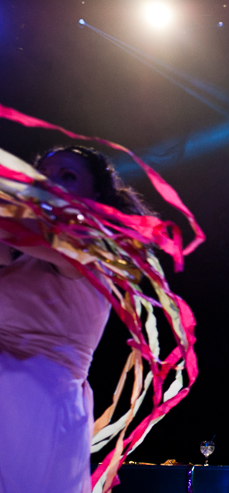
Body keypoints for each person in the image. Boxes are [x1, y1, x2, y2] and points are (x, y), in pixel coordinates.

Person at [0, 146, 153, 493]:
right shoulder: (22, 252)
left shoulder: (90, 245)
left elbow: (13, 228)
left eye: (67, 177)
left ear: (95, 194)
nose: (51, 185)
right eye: (44, 177)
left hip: (34, 398)